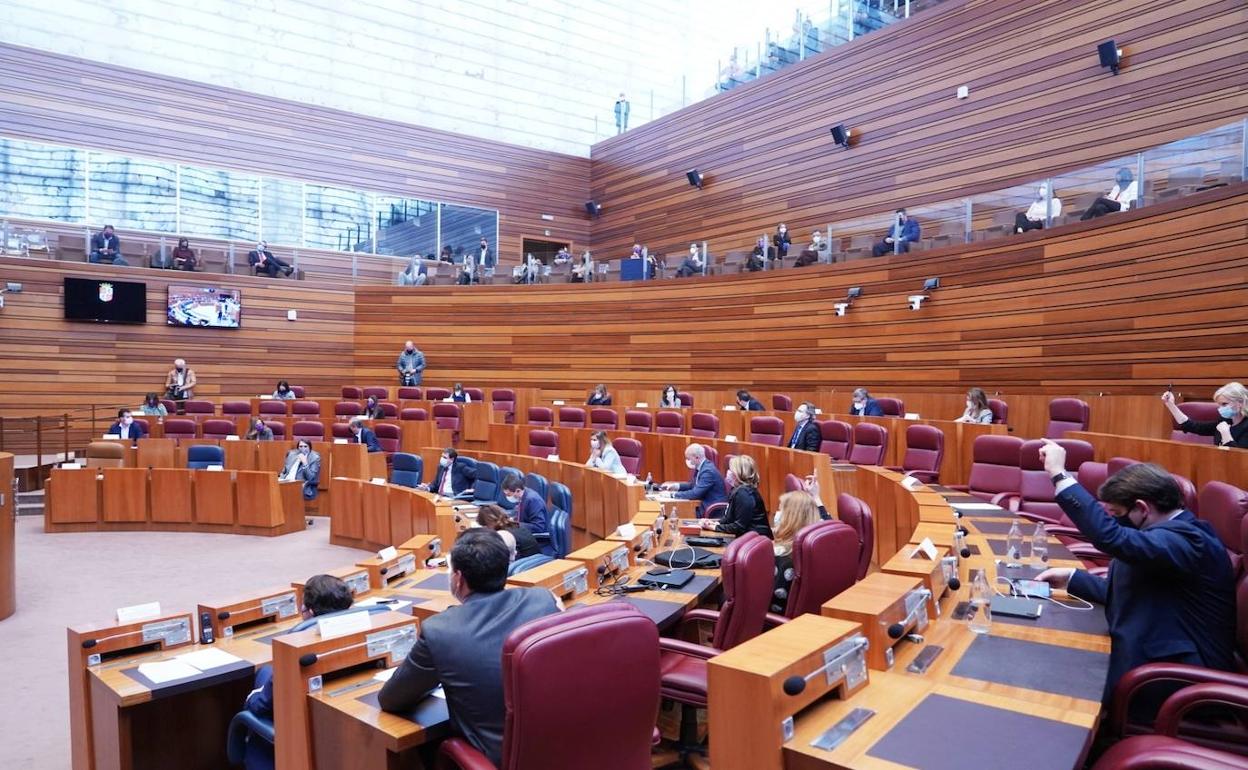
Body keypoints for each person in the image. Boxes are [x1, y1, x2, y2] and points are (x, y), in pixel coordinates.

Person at [1034, 442, 1235, 714]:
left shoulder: (1190, 539)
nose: (1115, 522)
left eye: (1117, 515)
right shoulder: (1166, 536)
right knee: (1052, 657)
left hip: (1175, 678)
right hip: (1155, 653)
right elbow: (1139, 591)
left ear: (1141, 507)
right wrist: (1072, 578)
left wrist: (1059, 474)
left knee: (1052, 679)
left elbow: (1112, 538)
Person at [378, 529, 560, 766]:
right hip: (556, 748)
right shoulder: (542, 600)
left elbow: (392, 699)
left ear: (458, 578)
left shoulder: (441, 631)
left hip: (499, 759)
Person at [244, 574, 354, 769]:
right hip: (343, 719)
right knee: (267, 671)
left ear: (309, 612)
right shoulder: (358, 633)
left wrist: (249, 700)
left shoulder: (299, 652)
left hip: (300, 740)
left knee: (263, 676)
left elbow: (259, 705)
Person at [769, 490, 825, 614]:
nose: (777, 515)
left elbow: (770, 603)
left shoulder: (781, 557)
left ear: (790, 519)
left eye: (781, 510)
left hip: (775, 626)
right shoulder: (820, 547)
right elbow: (828, 523)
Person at [1162, 382, 1248, 449]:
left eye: (1224, 404)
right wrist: (1170, 405)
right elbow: (1191, 426)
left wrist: (1225, 433)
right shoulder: (1225, 420)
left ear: (1240, 402)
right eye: (1220, 405)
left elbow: (1238, 459)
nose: (1221, 409)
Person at [704, 455, 771, 537]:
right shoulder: (737, 489)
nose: (728, 472)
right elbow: (730, 517)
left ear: (738, 473)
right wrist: (717, 523)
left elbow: (739, 527)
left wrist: (714, 527)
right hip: (746, 538)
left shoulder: (744, 494)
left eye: (730, 470)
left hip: (755, 540)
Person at [661, 444, 728, 510]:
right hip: (702, 503)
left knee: (674, 510)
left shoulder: (708, 471)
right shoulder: (702, 467)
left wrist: (673, 495)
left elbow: (695, 494)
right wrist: (677, 486)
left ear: (697, 457)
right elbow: (693, 485)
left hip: (711, 509)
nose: (687, 461)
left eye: (688, 458)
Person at [477, 504, 542, 559]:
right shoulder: (515, 525)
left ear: (489, 522)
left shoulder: (504, 535)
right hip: (535, 563)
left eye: (485, 526)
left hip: (522, 569)